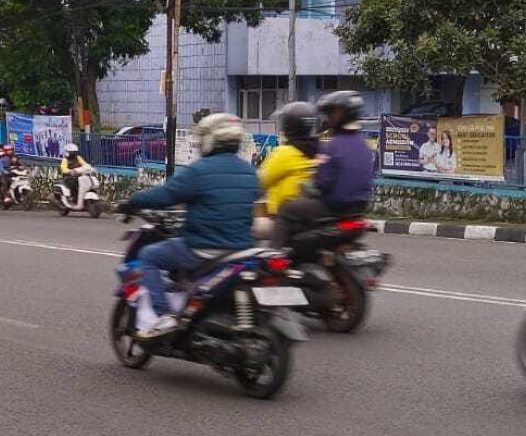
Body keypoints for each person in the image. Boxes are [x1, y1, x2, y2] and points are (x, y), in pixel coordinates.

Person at [120, 113, 259, 339]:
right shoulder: (250, 172)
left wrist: (132, 201)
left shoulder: (199, 170)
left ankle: (164, 315)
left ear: (212, 139)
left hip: (203, 248)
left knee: (148, 256)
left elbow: (165, 194)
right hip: (241, 250)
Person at [275, 91, 375, 248]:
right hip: (358, 210)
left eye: (332, 112)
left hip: (333, 209)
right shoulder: (363, 145)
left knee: (287, 210)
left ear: (342, 113)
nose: (329, 118)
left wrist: (304, 187)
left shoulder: (333, 145)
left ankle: (274, 258)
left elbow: (322, 184)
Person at [255, 102, 318, 243]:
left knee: (250, 228)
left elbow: (259, 181)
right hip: (314, 217)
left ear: (289, 125)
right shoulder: (319, 148)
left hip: (284, 220)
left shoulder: (285, 152)